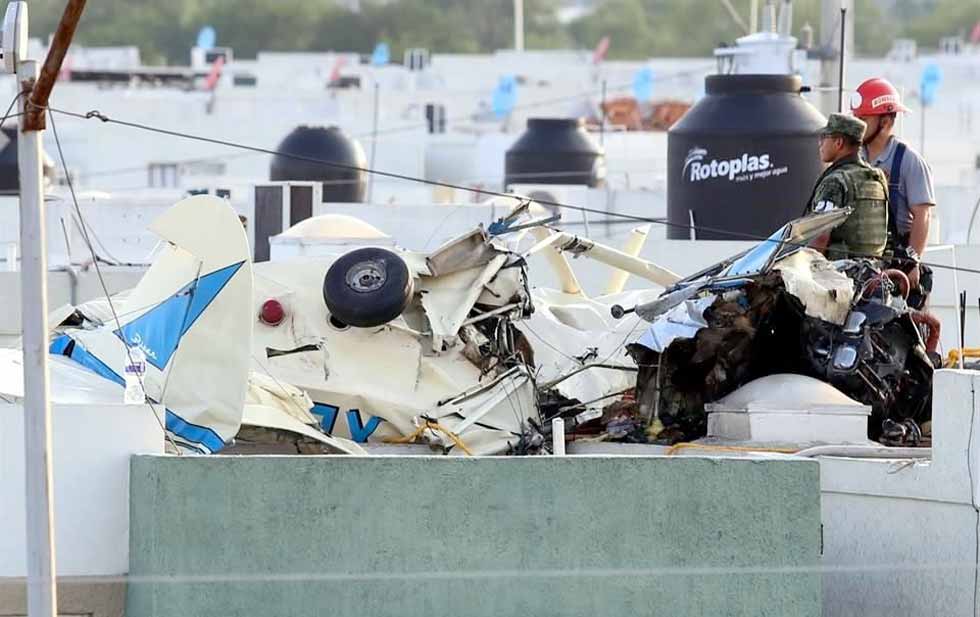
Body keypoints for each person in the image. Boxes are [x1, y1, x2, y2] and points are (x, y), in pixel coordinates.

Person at [853, 77, 936, 306]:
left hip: (898, 266)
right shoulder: (855, 159)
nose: (857, 125)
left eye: (863, 119)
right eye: (856, 118)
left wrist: (912, 263)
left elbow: (923, 215)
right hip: (864, 266)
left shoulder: (909, 161)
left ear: (886, 122)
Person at [806, 113, 889, 260]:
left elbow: (820, 237)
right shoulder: (876, 177)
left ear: (838, 142)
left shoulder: (834, 182)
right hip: (872, 271)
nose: (820, 144)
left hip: (839, 274)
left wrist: (802, 268)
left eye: (824, 137)